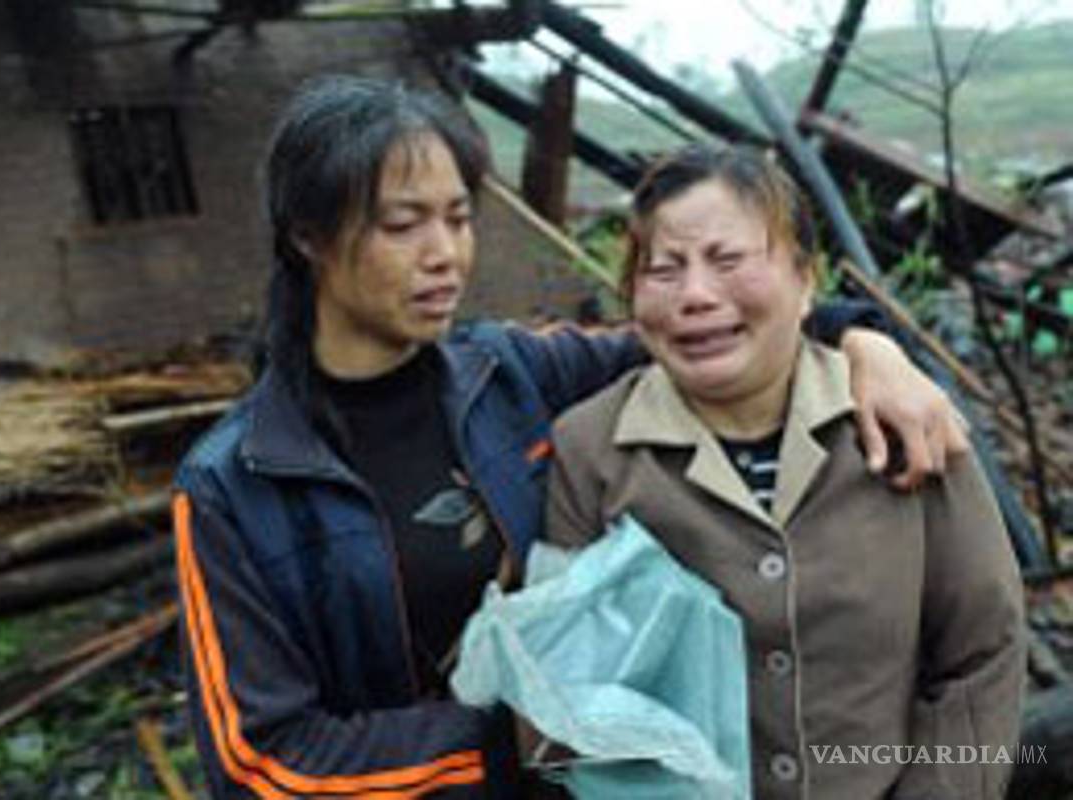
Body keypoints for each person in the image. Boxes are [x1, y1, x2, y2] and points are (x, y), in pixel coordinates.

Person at [172, 75, 969, 799]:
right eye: (402, 224)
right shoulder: (234, 484)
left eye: (458, 219)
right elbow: (260, 763)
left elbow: (689, 334)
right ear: (308, 234)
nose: (445, 254)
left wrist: (866, 342)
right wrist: (524, 733)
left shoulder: (506, 373)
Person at [545, 143, 1026, 799]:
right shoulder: (591, 449)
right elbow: (572, 691)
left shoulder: (902, 419)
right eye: (663, 269)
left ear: (806, 280)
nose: (696, 295)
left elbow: (984, 652)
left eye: (728, 261)